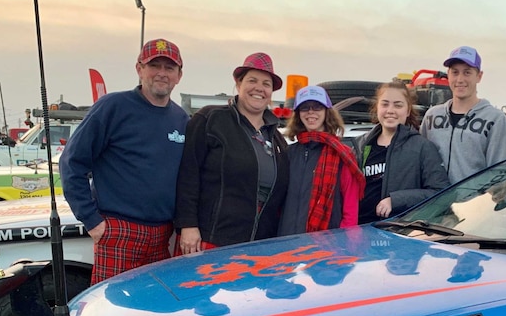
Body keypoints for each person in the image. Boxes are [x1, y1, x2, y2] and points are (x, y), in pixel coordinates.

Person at [61, 38, 188, 284]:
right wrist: (91, 220)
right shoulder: (112, 107)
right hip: (119, 231)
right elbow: (72, 163)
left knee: (157, 312)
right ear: (139, 69)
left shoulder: (181, 119)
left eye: (169, 68)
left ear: (179, 76)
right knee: (113, 314)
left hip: (163, 235)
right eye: (154, 65)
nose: (161, 73)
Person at [174, 53, 290, 254]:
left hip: (257, 247)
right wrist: (187, 225)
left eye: (266, 84)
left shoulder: (277, 139)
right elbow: (188, 175)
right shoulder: (211, 119)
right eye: (252, 80)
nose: (259, 88)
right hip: (210, 240)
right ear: (238, 84)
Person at [355, 81, 450, 224]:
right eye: (385, 104)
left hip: (398, 234)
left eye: (398, 105)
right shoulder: (361, 145)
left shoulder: (422, 147)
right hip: (359, 233)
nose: (390, 110)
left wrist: (396, 200)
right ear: (377, 108)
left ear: (408, 110)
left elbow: (441, 193)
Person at [278, 85, 365, 235]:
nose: (311, 112)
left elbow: (350, 208)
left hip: (328, 243)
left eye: (317, 107)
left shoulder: (342, 154)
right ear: (298, 114)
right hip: (287, 241)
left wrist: (346, 240)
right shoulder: (289, 153)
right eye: (305, 108)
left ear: (327, 112)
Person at [420, 45, 506, 184]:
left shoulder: (495, 119)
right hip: (433, 203)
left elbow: (497, 172)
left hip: (474, 204)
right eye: (455, 72)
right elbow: (419, 163)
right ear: (448, 75)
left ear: (479, 76)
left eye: (467, 72)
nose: (460, 79)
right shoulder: (431, 116)